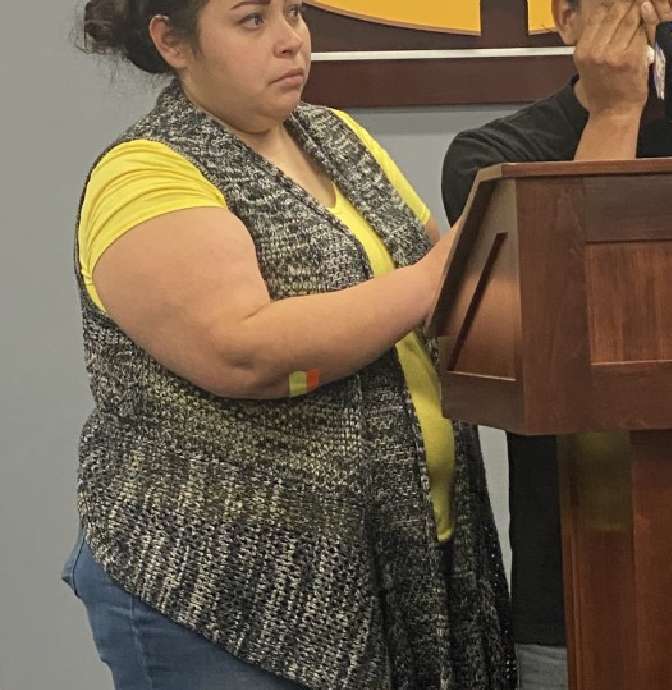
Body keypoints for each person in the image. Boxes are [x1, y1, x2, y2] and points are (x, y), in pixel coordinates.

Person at [61, 1, 515, 688]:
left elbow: (450, 294)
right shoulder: (145, 173)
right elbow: (243, 351)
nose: (291, 41)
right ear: (172, 42)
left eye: (294, 12)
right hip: (219, 588)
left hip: (397, 561)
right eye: (253, 20)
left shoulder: (336, 137)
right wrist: (433, 280)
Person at [440, 1, 672, 687]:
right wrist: (616, 114)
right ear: (567, 19)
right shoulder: (496, 158)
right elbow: (568, 314)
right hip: (577, 578)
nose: (655, 10)